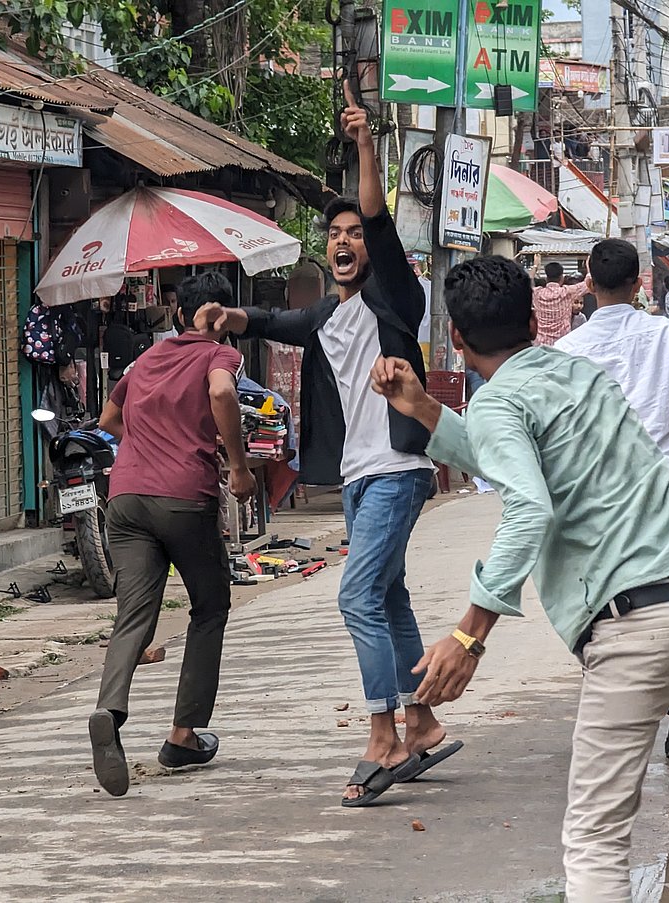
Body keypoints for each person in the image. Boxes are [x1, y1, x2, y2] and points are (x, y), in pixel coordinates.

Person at [370, 248, 669, 902]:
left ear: (456, 336)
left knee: (595, 834)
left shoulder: (501, 403)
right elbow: (512, 452)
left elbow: (527, 501)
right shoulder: (579, 374)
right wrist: (422, 409)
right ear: (534, 317)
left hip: (635, 626)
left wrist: (469, 634)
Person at [193, 86, 458, 808]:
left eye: (353, 233)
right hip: (358, 479)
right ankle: (423, 719)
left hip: (399, 470)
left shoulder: (395, 297)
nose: (344, 241)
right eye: (333, 235)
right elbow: (276, 318)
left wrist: (368, 144)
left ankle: (383, 733)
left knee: (355, 597)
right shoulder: (330, 314)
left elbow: (377, 216)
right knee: (387, 594)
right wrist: (229, 314)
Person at [559, 241, 669, 760]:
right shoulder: (664, 334)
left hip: (598, 488)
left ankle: (628, 700)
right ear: (640, 284)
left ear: (588, 284)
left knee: (615, 593)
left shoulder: (570, 349)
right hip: (661, 480)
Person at [86, 272, 254, 797]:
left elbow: (108, 418)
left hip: (126, 497)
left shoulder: (148, 358)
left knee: (134, 612)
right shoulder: (219, 356)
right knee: (209, 605)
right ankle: (183, 735)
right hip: (184, 498)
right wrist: (238, 465)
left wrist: (147, 442)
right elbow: (223, 392)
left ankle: (109, 711)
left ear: (179, 313)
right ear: (222, 318)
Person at [533, 260, 588, 346]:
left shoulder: (537, 293)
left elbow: (525, 284)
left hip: (541, 345)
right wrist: (588, 266)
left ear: (546, 278)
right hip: (562, 345)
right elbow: (587, 283)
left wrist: (535, 267)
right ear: (562, 278)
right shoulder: (567, 292)